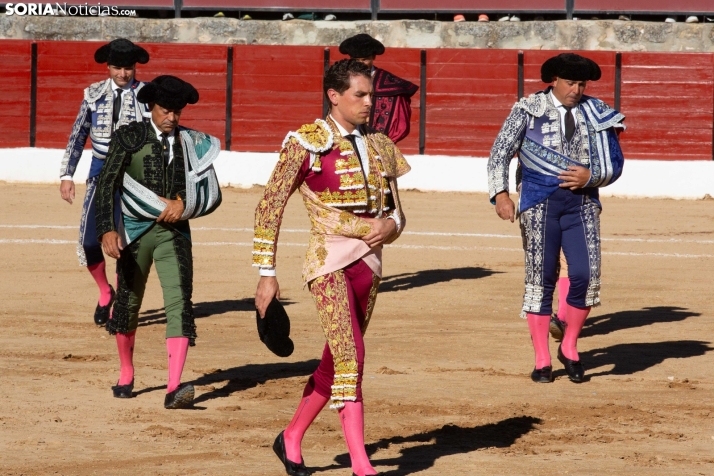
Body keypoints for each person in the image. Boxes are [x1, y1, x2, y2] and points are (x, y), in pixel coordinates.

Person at [253, 59, 410, 476]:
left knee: (335, 360)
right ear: (334, 96)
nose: (369, 103)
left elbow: (398, 214)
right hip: (328, 261)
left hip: (371, 264)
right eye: (360, 95)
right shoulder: (305, 143)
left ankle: (290, 437)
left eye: (371, 95)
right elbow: (270, 206)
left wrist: (390, 226)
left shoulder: (379, 145)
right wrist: (266, 272)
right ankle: (361, 464)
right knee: (352, 355)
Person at [487, 53, 625, 384]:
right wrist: (501, 194)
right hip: (538, 204)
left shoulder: (596, 113)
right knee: (541, 278)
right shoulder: (527, 109)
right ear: (554, 81)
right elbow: (499, 154)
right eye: (570, 83)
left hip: (582, 204)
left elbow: (615, 163)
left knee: (586, 274)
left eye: (581, 84)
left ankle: (570, 347)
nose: (576, 90)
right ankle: (542, 359)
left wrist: (590, 177)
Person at [95, 75, 222, 408]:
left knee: (180, 302)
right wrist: (107, 228)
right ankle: (126, 371)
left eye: (177, 112)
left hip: (175, 232)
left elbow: (209, 190)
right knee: (128, 303)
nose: (172, 118)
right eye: (166, 110)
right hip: (134, 233)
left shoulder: (191, 143)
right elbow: (106, 184)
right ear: (151, 106)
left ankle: (174, 386)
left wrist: (184, 205)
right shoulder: (129, 137)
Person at [59, 38, 150, 326]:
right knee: (89, 241)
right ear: (108, 67)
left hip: (134, 175)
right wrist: (66, 175)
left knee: (127, 242)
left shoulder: (148, 95)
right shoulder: (93, 94)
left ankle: (121, 304)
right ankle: (104, 292)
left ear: (135, 67)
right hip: (100, 172)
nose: (123, 74)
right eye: (117, 68)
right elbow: (78, 135)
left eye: (128, 68)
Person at [339, 33, 418, 144]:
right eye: (356, 60)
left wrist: (384, 144)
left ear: (373, 57)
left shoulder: (391, 84)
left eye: (364, 59)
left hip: (380, 144)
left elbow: (400, 123)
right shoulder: (341, 78)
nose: (360, 64)